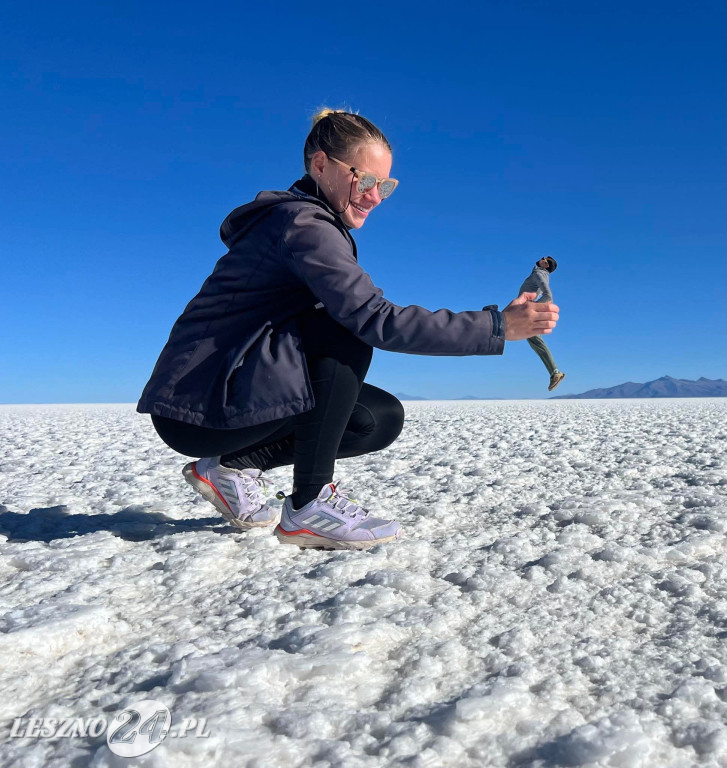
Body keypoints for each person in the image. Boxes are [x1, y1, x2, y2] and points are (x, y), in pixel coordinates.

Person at [137, 108, 559, 550]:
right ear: (321, 165)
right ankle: (308, 506)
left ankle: (230, 467)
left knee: (376, 420)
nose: (376, 196)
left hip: (222, 398)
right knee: (345, 329)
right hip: (199, 404)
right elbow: (375, 318)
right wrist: (496, 327)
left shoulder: (309, 225)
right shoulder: (303, 225)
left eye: (386, 185)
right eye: (367, 180)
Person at [519, 256, 566, 391]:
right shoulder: (539, 273)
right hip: (522, 312)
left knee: (501, 330)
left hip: (524, 313)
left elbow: (548, 296)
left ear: (546, 266)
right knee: (536, 343)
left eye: (545, 260)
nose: (542, 258)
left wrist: (532, 308)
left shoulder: (539, 274)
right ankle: (554, 372)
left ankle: (555, 372)